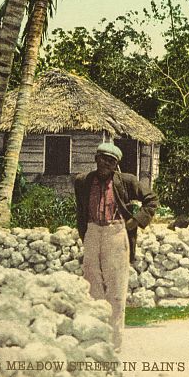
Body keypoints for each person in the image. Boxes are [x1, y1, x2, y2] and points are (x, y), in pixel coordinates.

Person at [72, 141, 158, 352]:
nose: (105, 164)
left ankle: (115, 344)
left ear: (116, 164)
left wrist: (136, 221)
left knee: (117, 289)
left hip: (116, 232)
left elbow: (151, 199)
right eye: (102, 158)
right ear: (96, 158)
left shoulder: (126, 181)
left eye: (111, 161)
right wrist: (86, 235)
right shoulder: (83, 181)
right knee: (92, 286)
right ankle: (97, 338)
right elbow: (80, 211)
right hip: (93, 232)